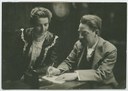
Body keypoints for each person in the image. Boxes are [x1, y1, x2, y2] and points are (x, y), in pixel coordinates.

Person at [47, 15, 118, 89]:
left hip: (102, 86)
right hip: (82, 85)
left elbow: (101, 74)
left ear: (96, 32)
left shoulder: (110, 49)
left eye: (84, 33)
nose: (80, 37)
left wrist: (76, 75)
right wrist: (58, 70)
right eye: (79, 33)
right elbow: (69, 62)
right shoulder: (79, 44)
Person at [10, 7, 59, 81]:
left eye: (46, 24)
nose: (43, 29)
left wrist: (33, 74)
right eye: (39, 25)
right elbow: (14, 60)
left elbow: (51, 63)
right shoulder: (23, 35)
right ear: (33, 24)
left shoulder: (53, 40)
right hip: (18, 77)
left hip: (38, 77)